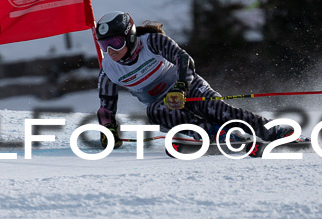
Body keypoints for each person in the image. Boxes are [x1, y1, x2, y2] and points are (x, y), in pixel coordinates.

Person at [94, 11, 293, 148]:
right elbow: (106, 107)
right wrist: (108, 130)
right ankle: (212, 134)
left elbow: (183, 59)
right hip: (162, 104)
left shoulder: (152, 42)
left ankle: (273, 132)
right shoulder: (109, 70)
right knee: (155, 110)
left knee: (218, 111)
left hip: (187, 86)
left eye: (115, 43)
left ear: (130, 37)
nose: (110, 51)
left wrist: (180, 87)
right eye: (104, 46)